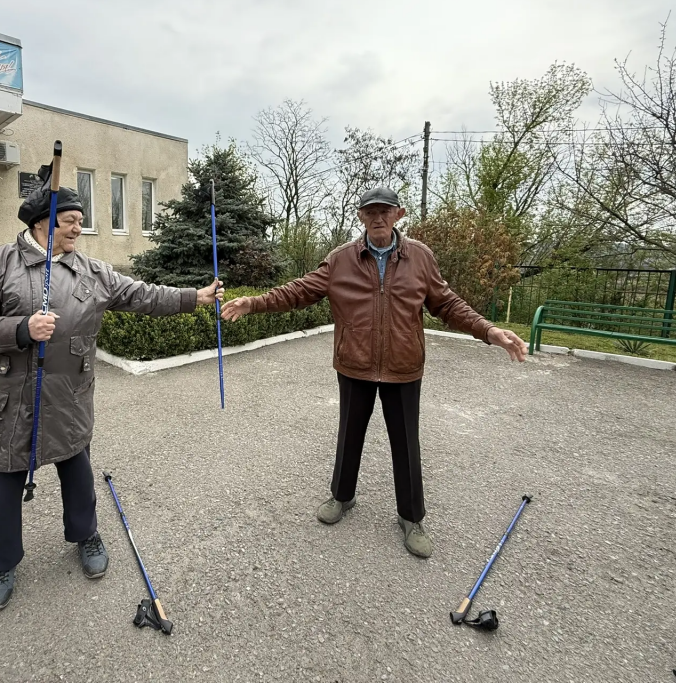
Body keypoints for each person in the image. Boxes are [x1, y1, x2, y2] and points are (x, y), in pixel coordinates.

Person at [0, 180, 223, 612]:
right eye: (69, 220)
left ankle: (86, 534)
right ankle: (2, 564)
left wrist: (195, 297)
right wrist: (21, 328)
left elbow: (142, 295)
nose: (78, 228)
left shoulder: (93, 273)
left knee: (78, 474)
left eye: (80, 220)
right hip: (7, 400)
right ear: (42, 223)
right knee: (1, 486)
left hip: (69, 396)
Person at [220, 187, 526, 558]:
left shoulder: (420, 257)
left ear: (399, 214)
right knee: (349, 435)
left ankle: (411, 517)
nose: (378, 218)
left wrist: (489, 331)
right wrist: (254, 303)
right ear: (361, 216)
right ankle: (341, 496)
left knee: (406, 443)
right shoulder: (341, 259)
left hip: (403, 367)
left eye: (385, 211)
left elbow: (447, 304)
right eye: (370, 212)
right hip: (355, 364)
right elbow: (299, 291)